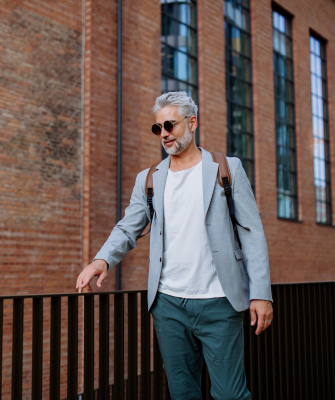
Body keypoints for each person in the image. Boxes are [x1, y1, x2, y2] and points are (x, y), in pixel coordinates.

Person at [75, 91, 273, 400]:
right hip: (168, 306)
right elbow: (128, 227)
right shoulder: (149, 179)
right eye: (158, 128)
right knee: (182, 394)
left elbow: (252, 231)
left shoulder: (226, 169)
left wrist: (261, 292)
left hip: (220, 302)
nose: (164, 134)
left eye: (170, 125)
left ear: (192, 122)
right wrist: (101, 261)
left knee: (231, 395)